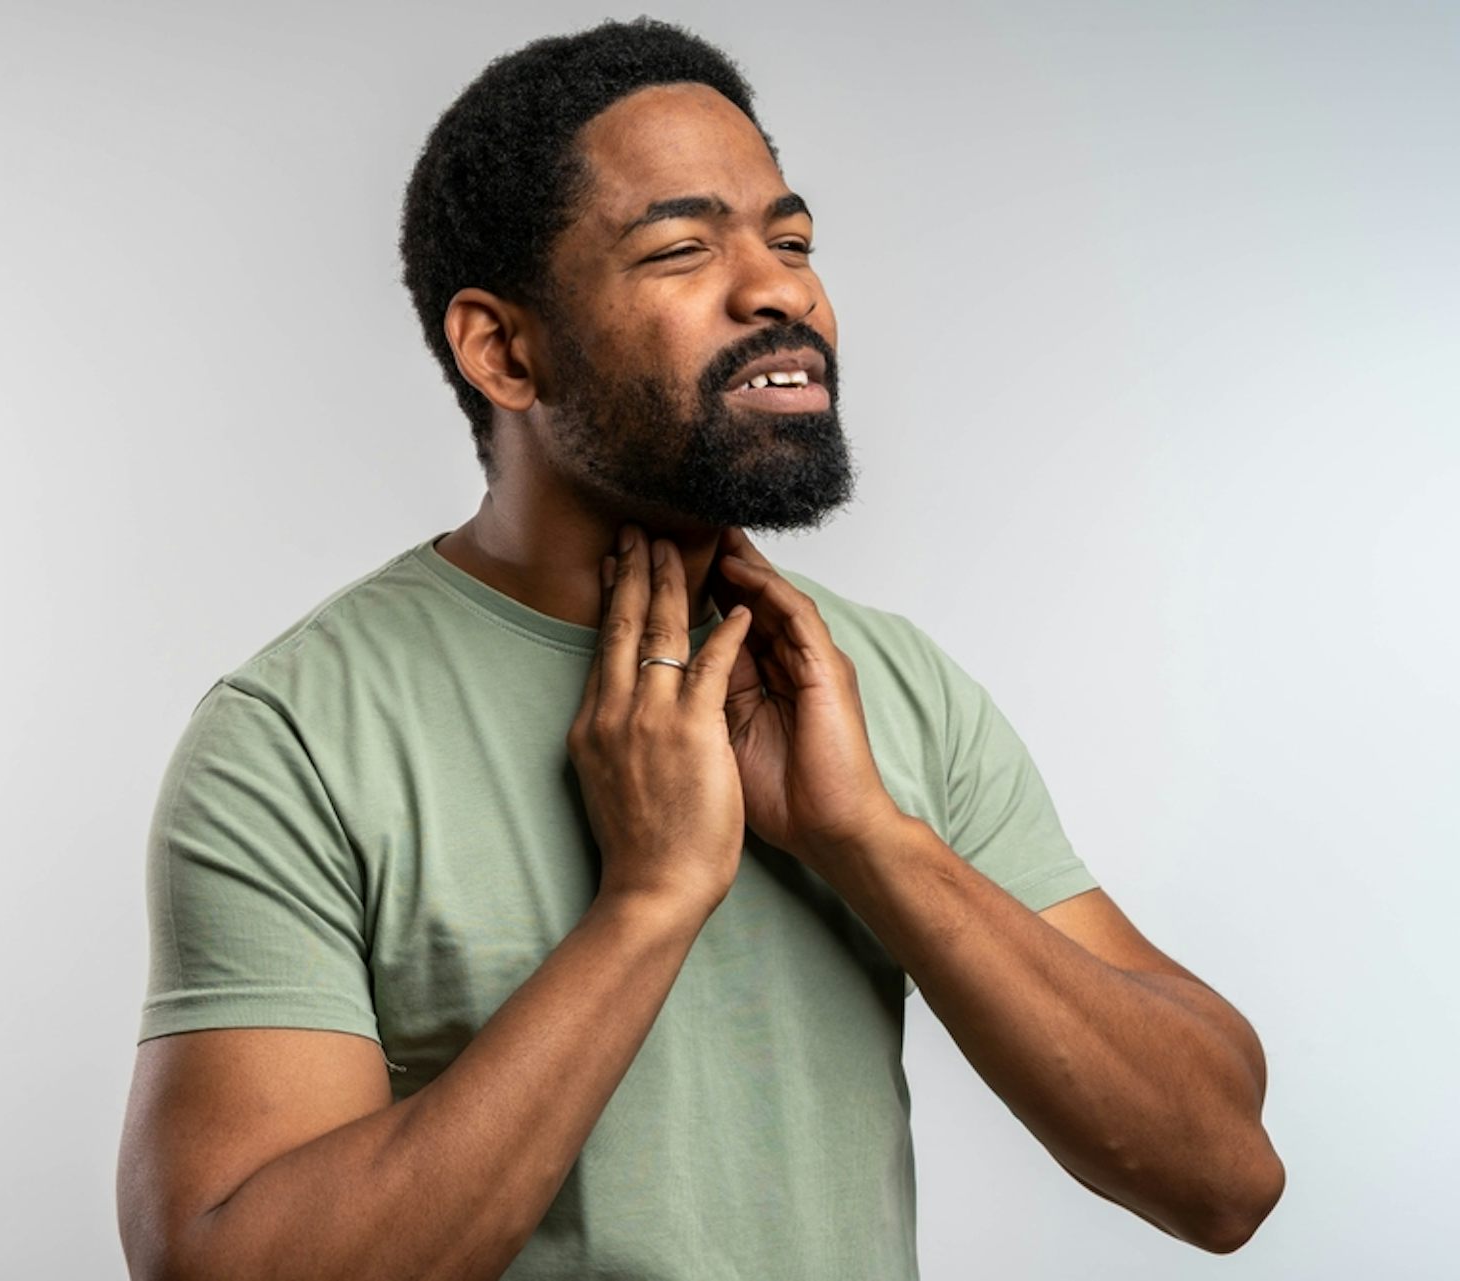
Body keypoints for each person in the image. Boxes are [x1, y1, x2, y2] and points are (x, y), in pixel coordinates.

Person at [115, 18, 1283, 1280]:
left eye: (792, 240)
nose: (781, 289)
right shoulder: (296, 733)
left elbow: (1221, 1174)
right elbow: (225, 1266)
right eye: (681, 247)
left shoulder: (885, 685)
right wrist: (648, 905)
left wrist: (872, 840)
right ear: (505, 349)